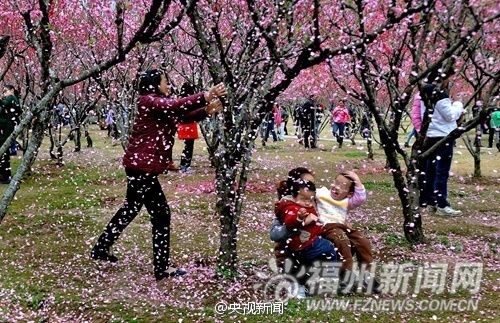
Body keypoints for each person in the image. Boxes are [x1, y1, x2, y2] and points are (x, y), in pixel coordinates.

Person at [91, 69, 226, 281]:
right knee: (161, 215)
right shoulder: (148, 101)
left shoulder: (156, 105)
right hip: (142, 168)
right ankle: (161, 268)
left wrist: (206, 111)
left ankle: (101, 248)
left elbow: (181, 115)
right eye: (166, 82)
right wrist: (205, 96)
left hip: (140, 166)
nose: (169, 86)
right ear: (154, 84)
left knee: (130, 208)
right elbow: (173, 106)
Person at [315, 171, 379, 292]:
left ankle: (367, 274)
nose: (336, 187)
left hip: (342, 227)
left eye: (342, 186)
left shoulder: (347, 202)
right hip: (327, 227)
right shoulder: (321, 193)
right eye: (336, 182)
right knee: (342, 241)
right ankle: (345, 274)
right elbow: (306, 191)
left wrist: (357, 180)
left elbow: (360, 198)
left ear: (349, 194)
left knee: (362, 240)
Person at [419, 70, 464, 216]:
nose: (448, 83)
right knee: (442, 171)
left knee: (431, 170)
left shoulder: (423, 93)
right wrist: (458, 103)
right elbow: (450, 115)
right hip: (443, 136)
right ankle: (442, 204)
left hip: (431, 134)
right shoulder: (440, 94)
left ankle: (431, 201)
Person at [0, 85, 22, 184]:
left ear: (12, 90)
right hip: (10, 127)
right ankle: (5, 174)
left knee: (4, 151)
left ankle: (5, 176)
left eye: (5, 91)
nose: (4, 93)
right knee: (5, 152)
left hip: (6, 128)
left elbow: (4, 104)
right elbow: (19, 111)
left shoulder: (11, 98)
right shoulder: (15, 100)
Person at [176, 83, 200, 174]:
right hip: (190, 125)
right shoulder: (191, 100)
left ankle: (184, 165)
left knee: (186, 146)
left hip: (183, 125)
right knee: (189, 146)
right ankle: (185, 165)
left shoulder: (181, 100)